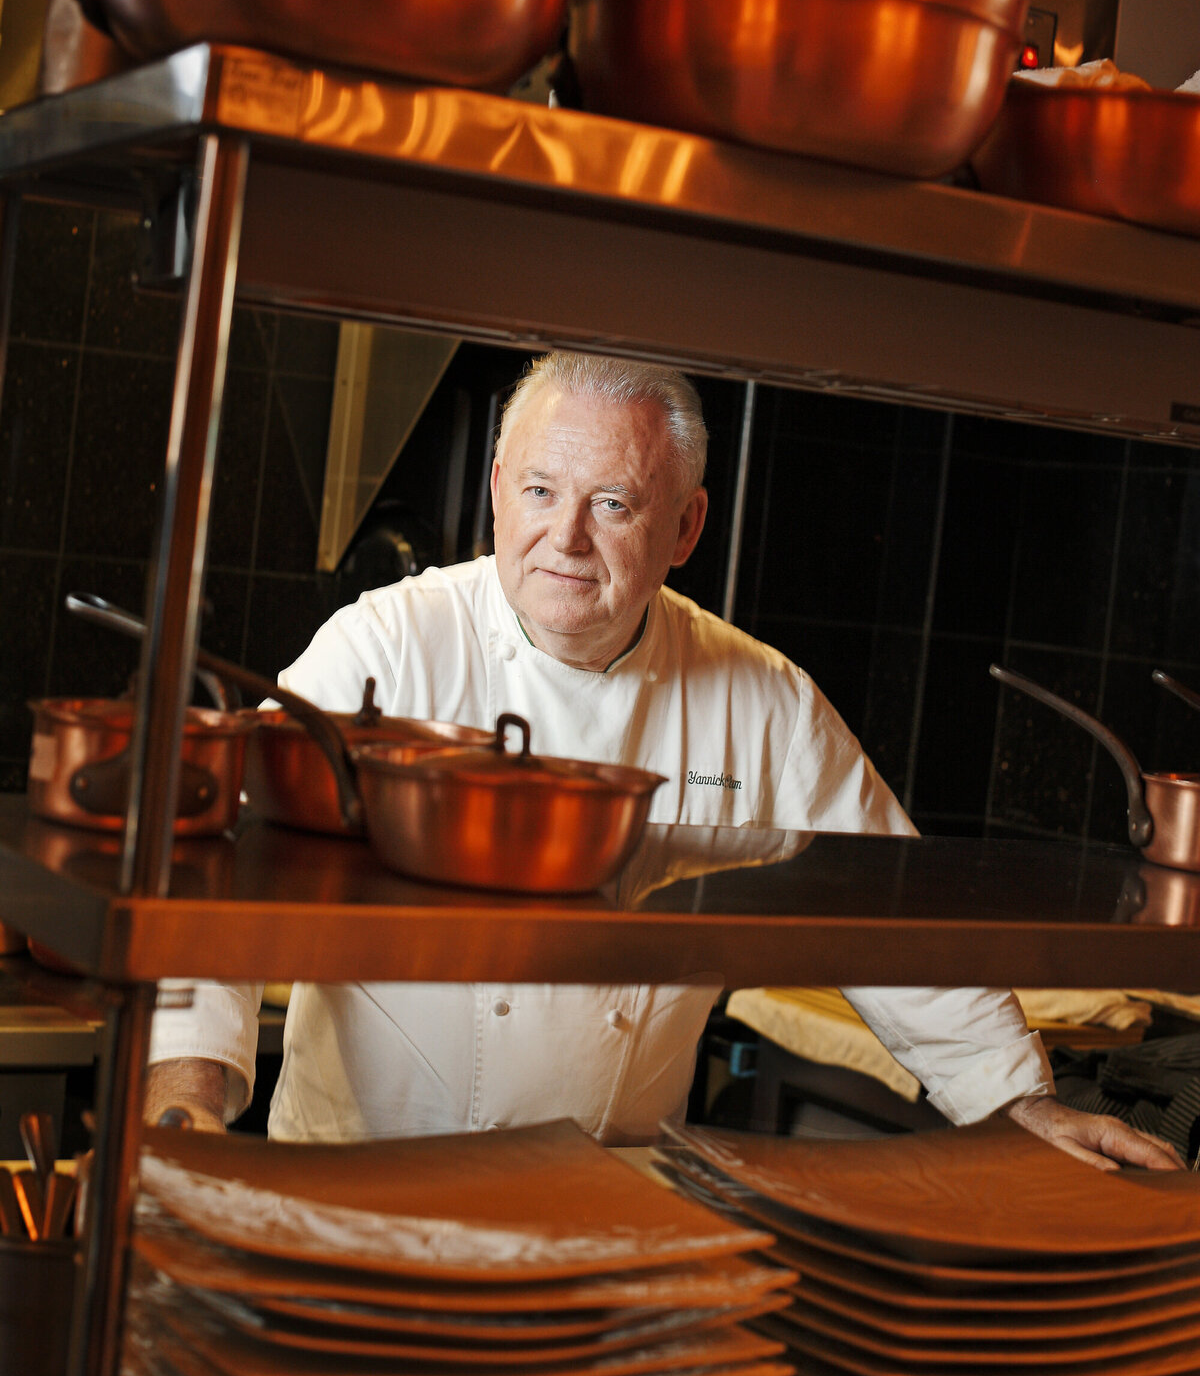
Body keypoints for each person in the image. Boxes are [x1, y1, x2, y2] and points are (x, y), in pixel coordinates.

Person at [146, 353, 1180, 1173]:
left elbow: (888, 915)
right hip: (359, 1187)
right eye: (542, 490)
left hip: (611, 1201)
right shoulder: (383, 649)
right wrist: (187, 1099)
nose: (565, 538)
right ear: (499, 490)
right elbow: (217, 877)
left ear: (685, 527)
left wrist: (1015, 1103)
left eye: (614, 505)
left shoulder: (759, 696)